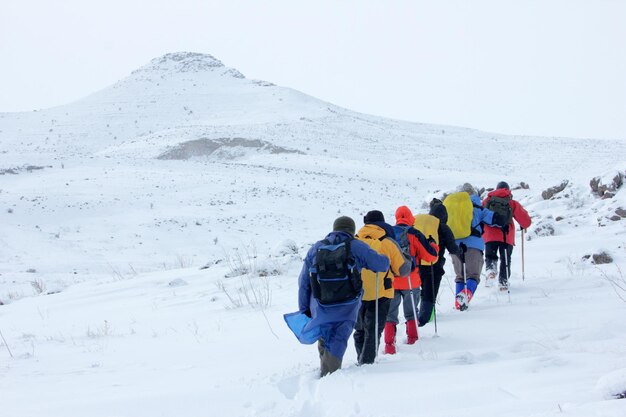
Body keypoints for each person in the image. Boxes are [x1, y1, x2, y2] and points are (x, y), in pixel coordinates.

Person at [287, 216, 390, 377]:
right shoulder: (356, 246)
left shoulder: (316, 248)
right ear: (351, 230)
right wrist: (386, 258)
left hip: (320, 304)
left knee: (324, 333)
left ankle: (325, 369)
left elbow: (304, 282)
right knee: (338, 338)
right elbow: (381, 265)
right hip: (347, 305)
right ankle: (329, 375)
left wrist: (304, 309)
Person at [354, 210, 411, 365]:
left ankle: (361, 359)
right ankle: (367, 363)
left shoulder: (355, 240)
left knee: (359, 329)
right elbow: (403, 270)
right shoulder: (388, 242)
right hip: (381, 293)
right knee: (373, 330)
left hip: (357, 293)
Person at [384, 206, 438, 354]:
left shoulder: (388, 234)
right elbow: (431, 256)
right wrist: (433, 245)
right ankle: (413, 340)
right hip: (410, 279)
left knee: (390, 314)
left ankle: (389, 346)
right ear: (410, 217)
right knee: (411, 312)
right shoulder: (414, 233)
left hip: (392, 280)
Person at [447, 184, 507, 310]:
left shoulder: (452, 208)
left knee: (460, 276)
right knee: (473, 275)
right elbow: (495, 219)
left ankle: (459, 304)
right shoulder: (478, 208)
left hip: (454, 245)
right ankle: (465, 296)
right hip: (473, 245)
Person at [416, 199, 459, 326]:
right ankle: (424, 319)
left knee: (419, 291)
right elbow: (453, 249)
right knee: (429, 293)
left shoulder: (422, 227)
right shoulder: (444, 228)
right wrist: (461, 249)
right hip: (434, 266)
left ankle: (415, 317)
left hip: (418, 265)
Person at [482, 181, 532, 290]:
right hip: (506, 236)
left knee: (490, 256)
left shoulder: (487, 201)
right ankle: (503, 283)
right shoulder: (511, 202)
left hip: (490, 236)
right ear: (508, 189)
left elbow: (479, 215)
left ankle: (491, 271)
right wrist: (524, 225)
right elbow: (526, 221)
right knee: (505, 259)